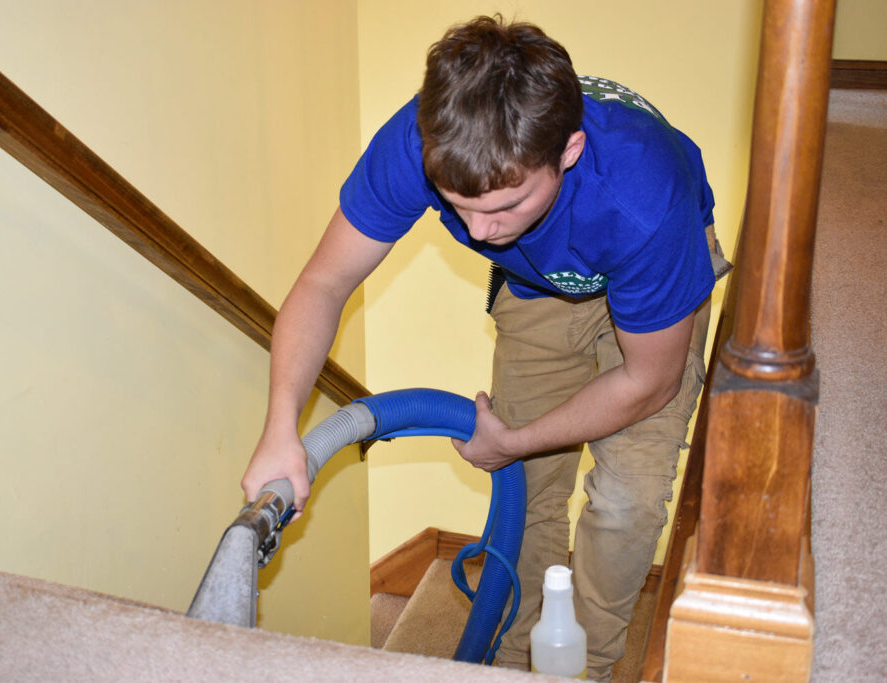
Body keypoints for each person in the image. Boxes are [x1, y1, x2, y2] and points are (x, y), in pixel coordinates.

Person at [241, 15, 727, 680]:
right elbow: (325, 282)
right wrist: (280, 428)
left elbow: (648, 382)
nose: (478, 232)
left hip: (651, 281)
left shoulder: (643, 197)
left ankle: (584, 669)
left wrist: (513, 440)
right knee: (529, 492)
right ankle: (515, 660)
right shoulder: (421, 141)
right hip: (538, 287)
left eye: (505, 206)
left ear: (569, 151)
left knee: (626, 502)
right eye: (458, 205)